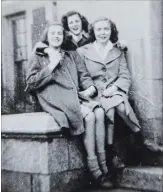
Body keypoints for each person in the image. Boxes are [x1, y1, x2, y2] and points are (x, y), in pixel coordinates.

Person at [25, 22, 114, 189]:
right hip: (55, 99)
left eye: (59, 33)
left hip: (75, 96)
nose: (57, 36)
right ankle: (95, 170)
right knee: (89, 116)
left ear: (64, 36)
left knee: (100, 112)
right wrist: (51, 65)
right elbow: (30, 83)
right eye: (53, 33)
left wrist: (90, 87)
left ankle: (104, 164)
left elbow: (84, 75)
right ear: (47, 37)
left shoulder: (71, 55)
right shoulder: (38, 57)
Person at [77, 17, 160, 167]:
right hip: (95, 93)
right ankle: (136, 141)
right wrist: (92, 89)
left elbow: (124, 75)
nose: (103, 33)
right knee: (115, 108)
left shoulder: (118, 50)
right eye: (99, 29)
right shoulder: (83, 51)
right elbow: (83, 75)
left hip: (115, 89)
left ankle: (115, 151)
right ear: (93, 32)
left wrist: (114, 88)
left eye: (106, 29)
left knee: (119, 105)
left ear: (112, 31)